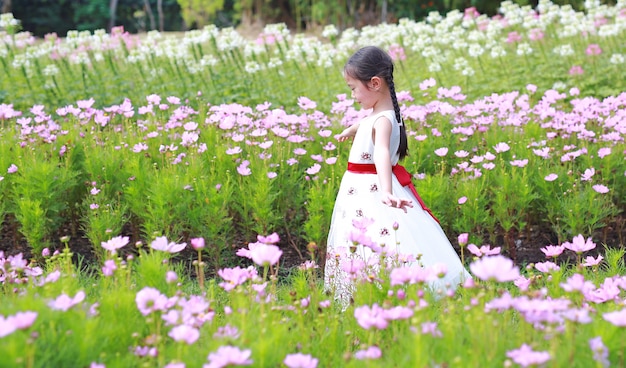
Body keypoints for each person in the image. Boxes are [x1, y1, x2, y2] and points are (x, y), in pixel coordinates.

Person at [324, 46, 471, 307]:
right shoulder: (381, 116)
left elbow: (381, 152)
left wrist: (386, 190)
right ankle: (366, 290)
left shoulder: (384, 121)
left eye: (353, 88)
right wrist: (353, 128)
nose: (352, 95)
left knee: (373, 239)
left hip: (370, 189)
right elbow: (368, 125)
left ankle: (377, 292)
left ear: (375, 83)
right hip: (360, 188)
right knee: (372, 239)